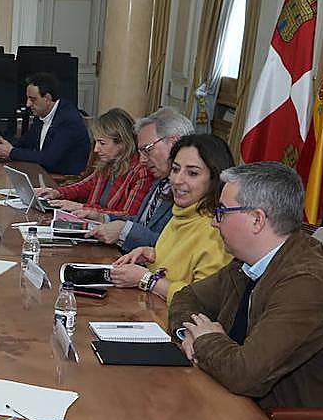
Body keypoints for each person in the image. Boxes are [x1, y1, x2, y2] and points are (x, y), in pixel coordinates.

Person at [170, 162, 323, 420]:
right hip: (234, 409)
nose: (214, 223)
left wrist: (206, 342)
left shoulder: (308, 283)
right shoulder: (247, 263)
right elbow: (186, 297)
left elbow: (246, 375)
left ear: (257, 220)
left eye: (222, 212)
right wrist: (189, 336)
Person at [107, 134, 233, 304]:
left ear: (215, 178)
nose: (177, 180)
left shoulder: (217, 228)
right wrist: (152, 254)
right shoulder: (182, 213)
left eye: (192, 173)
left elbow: (204, 300)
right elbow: (179, 264)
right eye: (175, 169)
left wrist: (146, 279)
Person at [80, 107, 194, 252]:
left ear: (173, 142)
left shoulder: (187, 189)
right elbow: (140, 221)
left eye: (147, 149)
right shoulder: (161, 180)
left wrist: (123, 230)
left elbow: (171, 247)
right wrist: (102, 218)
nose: (142, 160)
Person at [34, 108, 153, 216]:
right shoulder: (108, 163)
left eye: (102, 143)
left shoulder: (141, 172)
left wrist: (82, 207)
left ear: (122, 142)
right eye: (96, 142)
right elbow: (85, 186)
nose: (96, 149)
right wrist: (56, 193)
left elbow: (128, 215)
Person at [0, 72, 90, 175]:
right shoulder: (42, 113)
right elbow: (25, 143)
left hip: (62, 180)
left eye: (33, 99)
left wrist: (11, 152)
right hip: (41, 173)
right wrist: (3, 147)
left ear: (47, 98)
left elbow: (49, 159)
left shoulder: (68, 119)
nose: (28, 104)